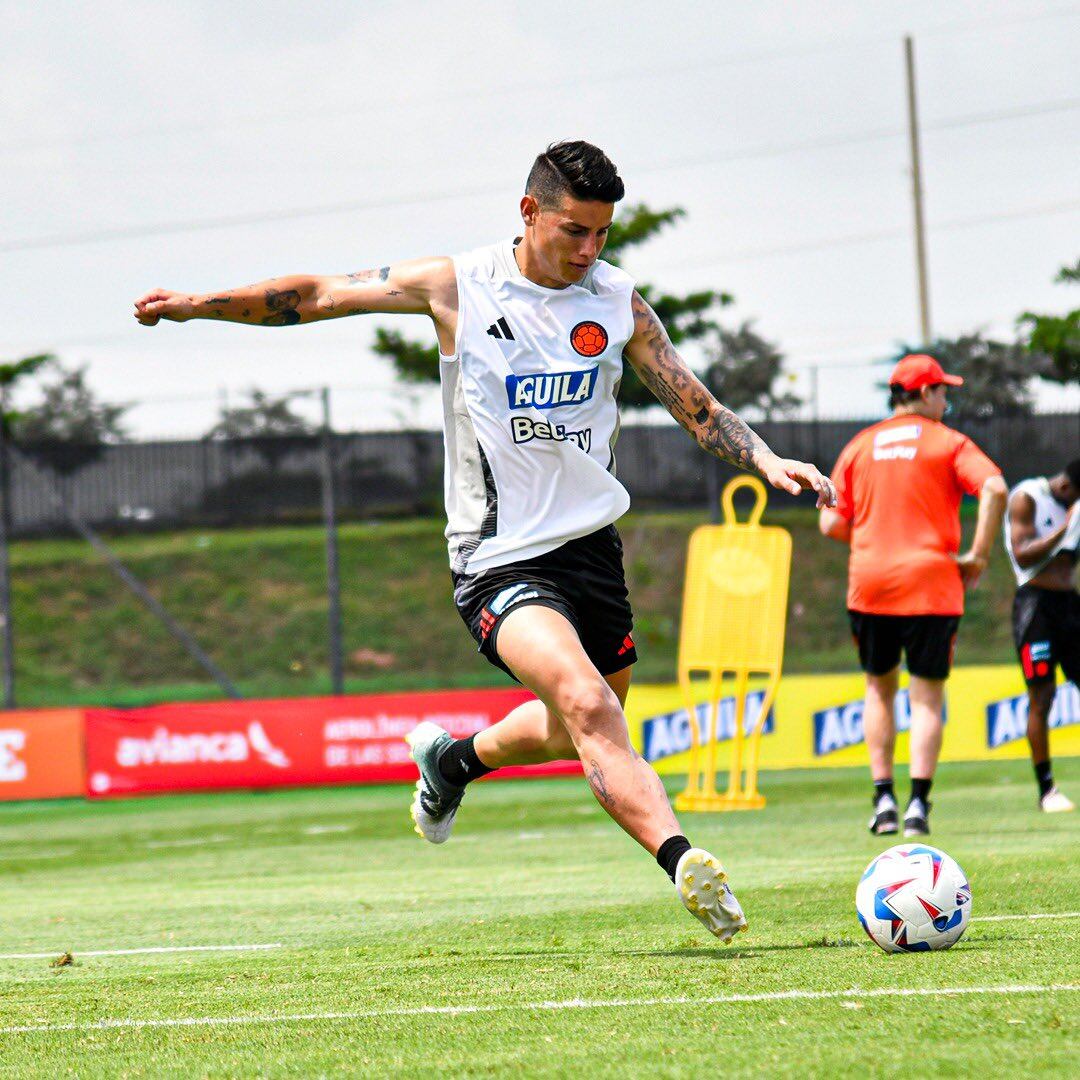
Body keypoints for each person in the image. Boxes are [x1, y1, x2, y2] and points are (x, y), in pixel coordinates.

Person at [134, 140, 836, 943]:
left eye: (602, 234)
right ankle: (682, 859)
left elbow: (697, 407)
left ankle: (454, 761)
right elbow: (318, 293)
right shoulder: (457, 286)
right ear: (529, 211)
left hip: (591, 552)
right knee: (587, 703)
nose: (588, 250)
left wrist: (769, 457)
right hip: (498, 557)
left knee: (573, 722)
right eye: (574, 230)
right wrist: (197, 304)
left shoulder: (615, 301)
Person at [819, 353, 1007, 837]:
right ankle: (918, 806)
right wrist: (979, 555)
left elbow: (830, 521)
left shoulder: (859, 446)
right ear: (924, 393)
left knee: (879, 689)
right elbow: (995, 489)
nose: (947, 400)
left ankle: (883, 800)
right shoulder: (949, 442)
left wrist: (873, 538)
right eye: (943, 391)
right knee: (926, 698)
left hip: (872, 583)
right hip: (932, 582)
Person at [1003, 458, 1080, 812]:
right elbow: (1021, 554)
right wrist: (1064, 529)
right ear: (1066, 488)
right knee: (1042, 696)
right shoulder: (1027, 497)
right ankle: (1047, 790)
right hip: (1035, 607)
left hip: (1069, 605)